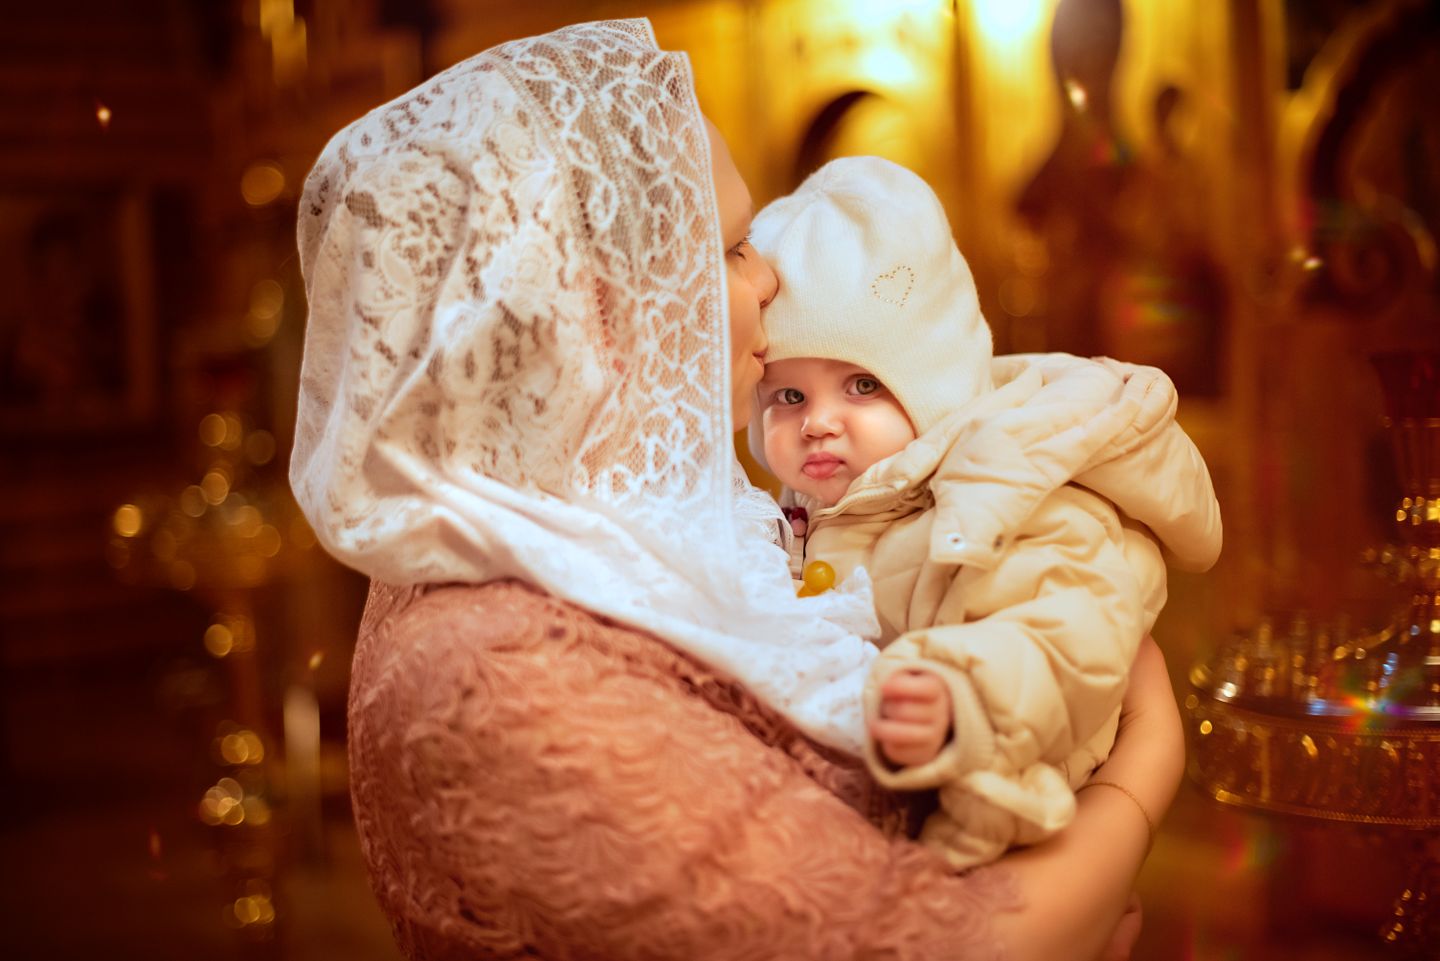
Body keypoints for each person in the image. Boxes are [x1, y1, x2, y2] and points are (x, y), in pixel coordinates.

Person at [291, 19, 1185, 960]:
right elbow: (941, 945)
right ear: (592, 313)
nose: (767, 278)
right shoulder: (494, 673)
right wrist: (1147, 760)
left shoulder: (642, 524)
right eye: (729, 249)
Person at [750, 155, 1221, 870]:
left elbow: (1070, 627)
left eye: (862, 385)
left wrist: (960, 702)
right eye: (789, 396)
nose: (817, 423)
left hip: (1017, 801)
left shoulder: (1002, 487)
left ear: (935, 385)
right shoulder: (813, 512)